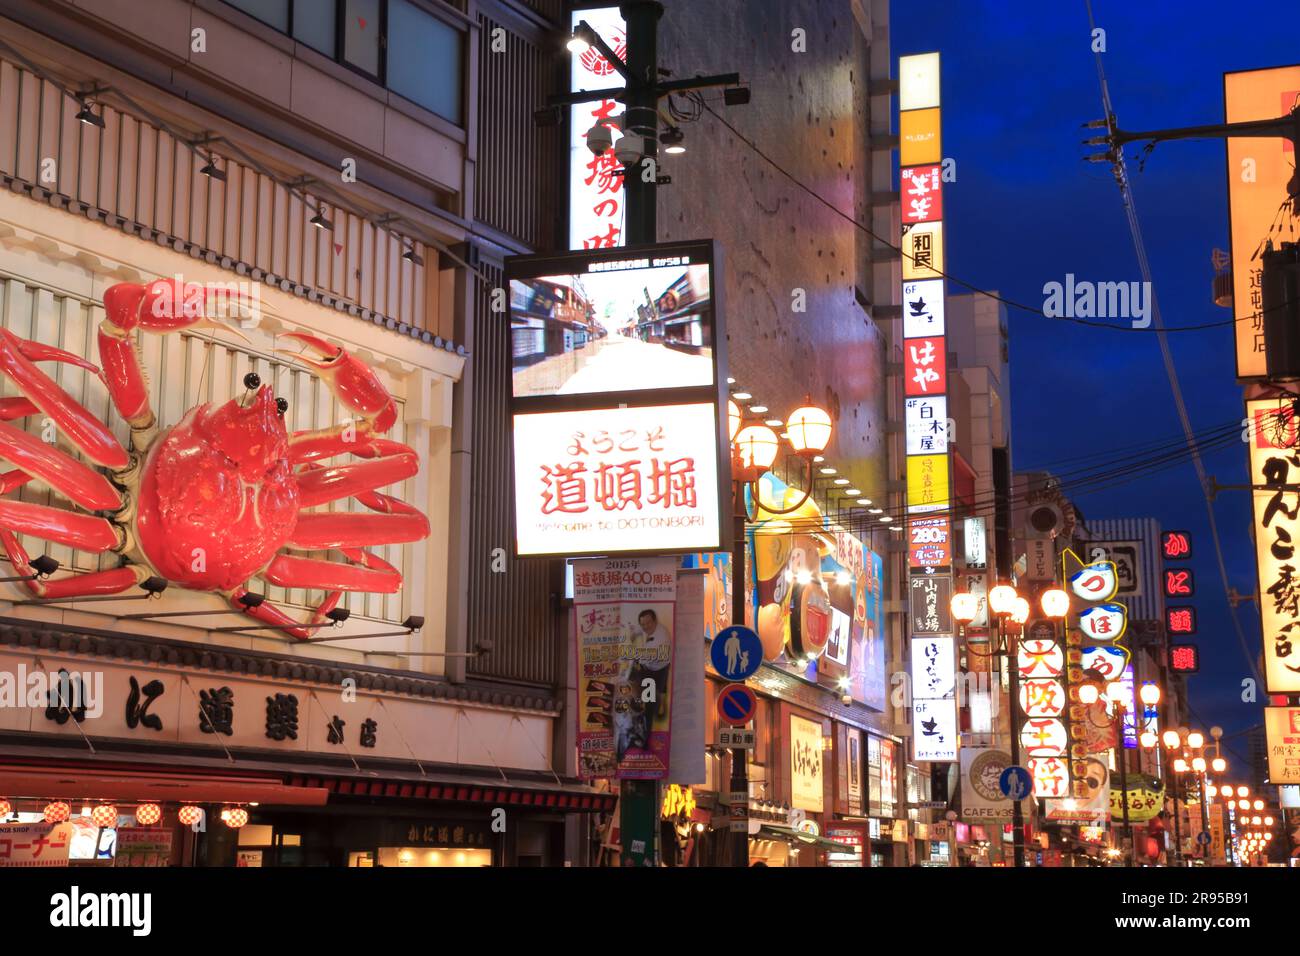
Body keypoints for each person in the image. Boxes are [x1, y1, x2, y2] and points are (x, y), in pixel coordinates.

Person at [628, 609, 671, 732]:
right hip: (649, 665)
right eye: (643, 624)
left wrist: (633, 658)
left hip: (658, 670)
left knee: (650, 701)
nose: (645, 626)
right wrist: (634, 634)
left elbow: (645, 659)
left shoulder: (661, 639)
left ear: (655, 621)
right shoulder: (646, 626)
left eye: (648, 623)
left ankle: (647, 729)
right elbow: (639, 628)